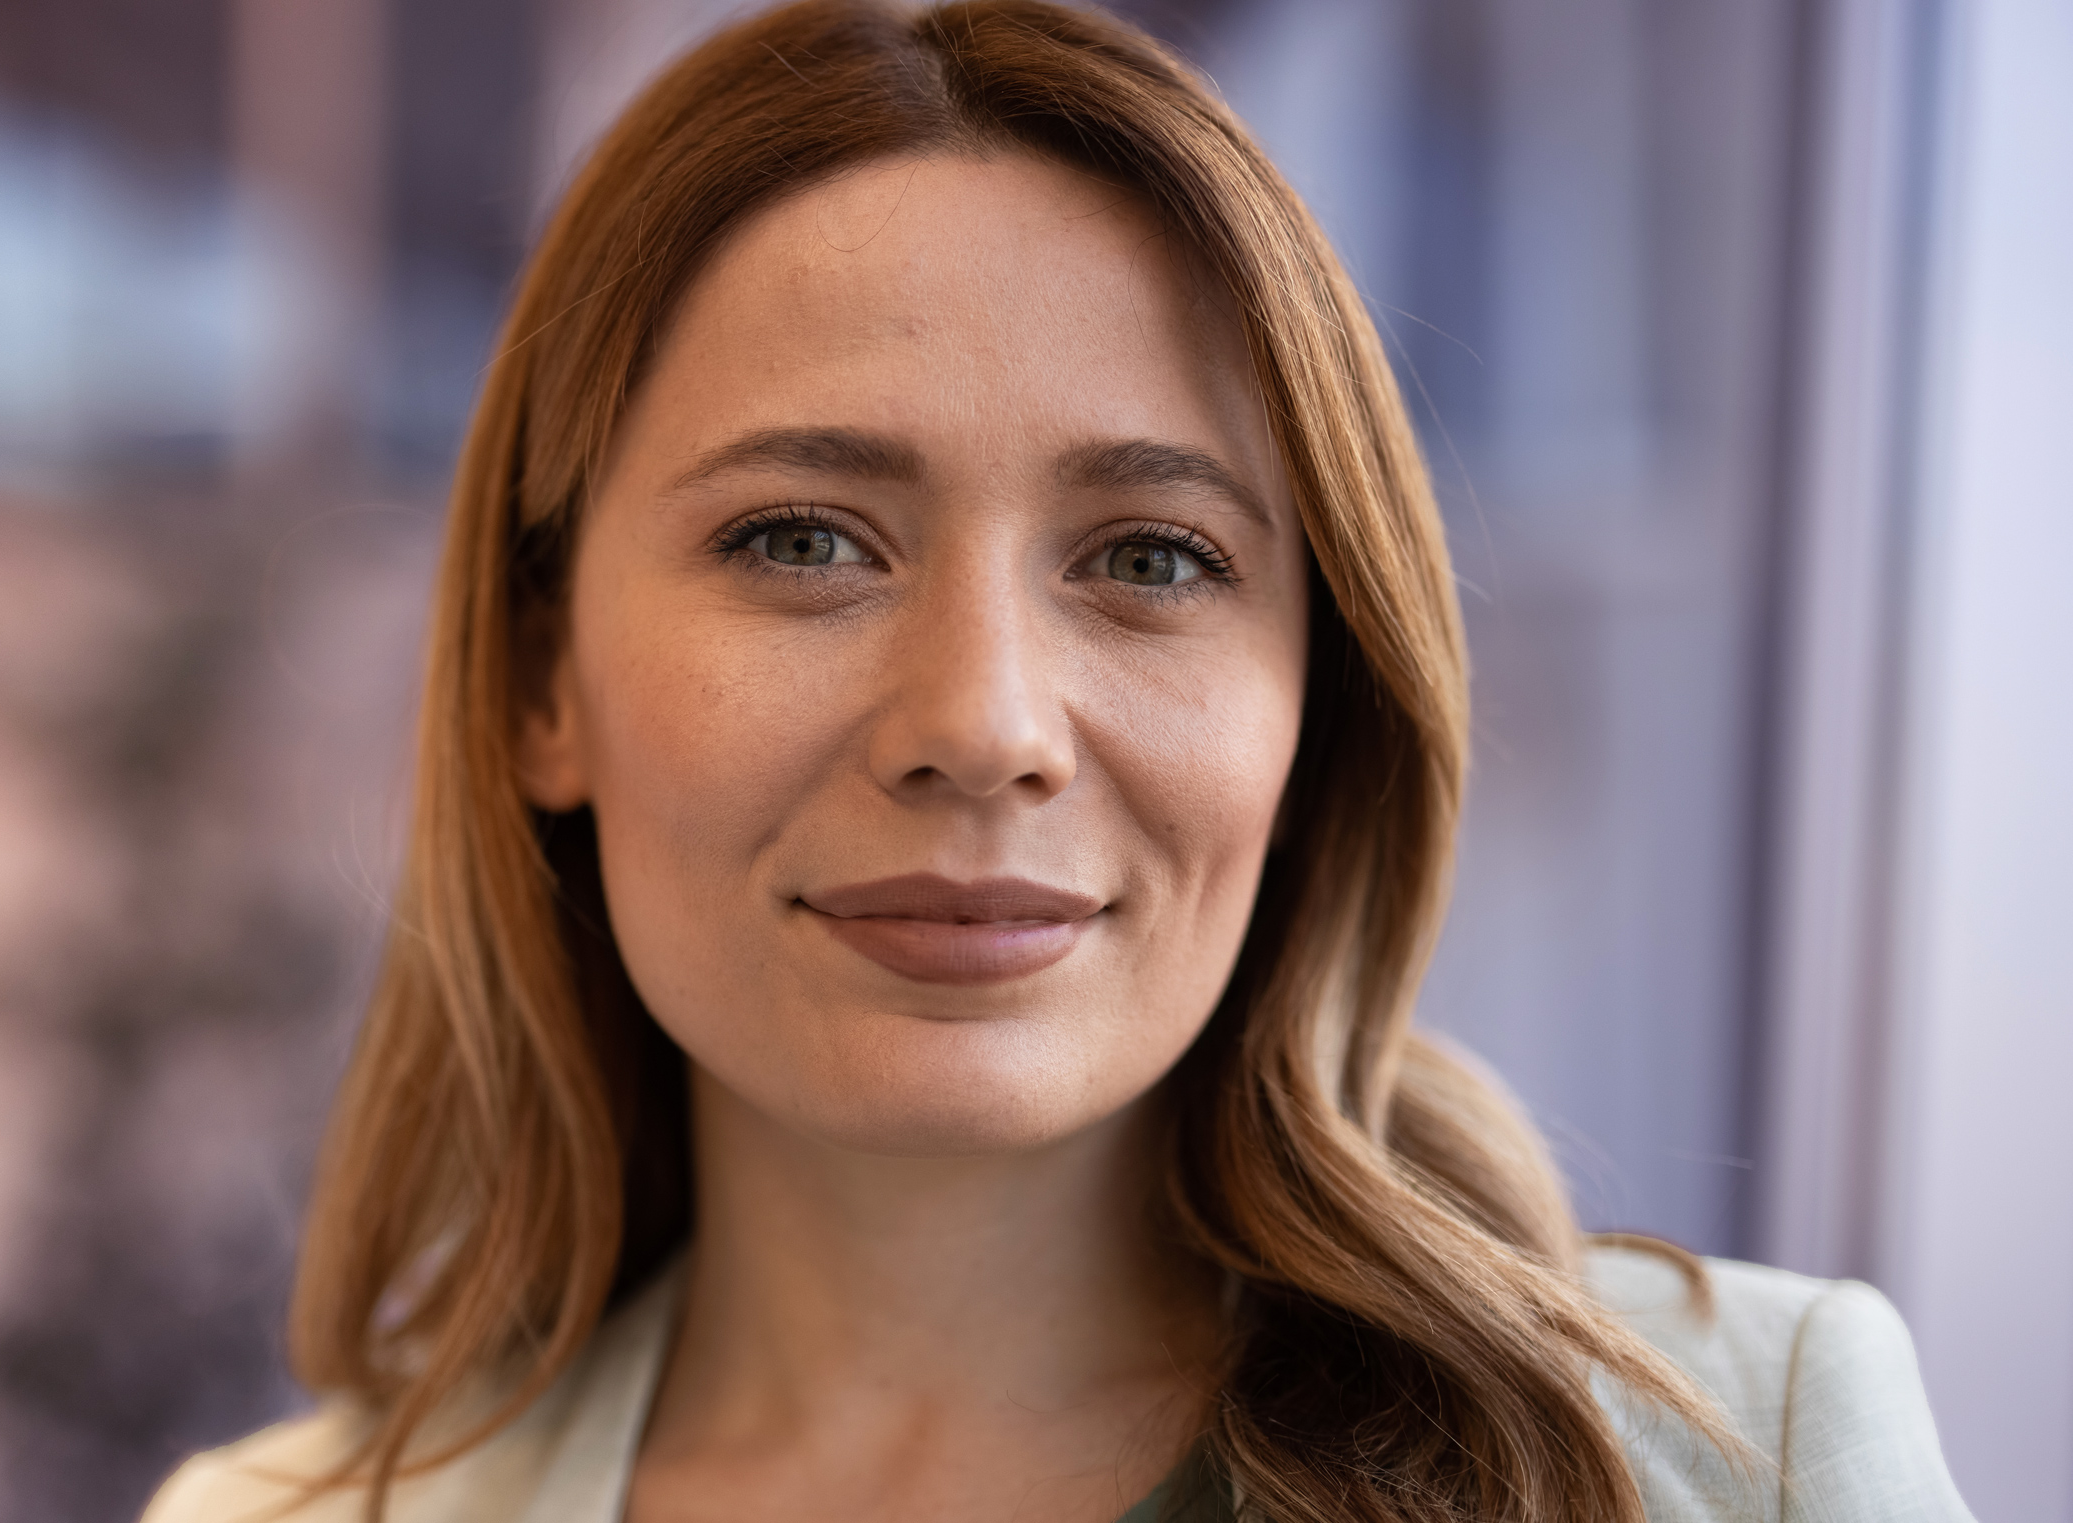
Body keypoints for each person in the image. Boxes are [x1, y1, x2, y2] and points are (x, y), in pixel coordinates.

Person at [143, 2, 1972, 1518]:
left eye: (1152, 560)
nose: (984, 728)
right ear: (540, 678)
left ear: (1316, 706)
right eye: (801, 539)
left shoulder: (1744, 1456)